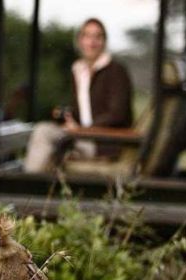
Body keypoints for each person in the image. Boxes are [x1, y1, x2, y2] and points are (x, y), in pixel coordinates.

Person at [23, 18, 133, 174]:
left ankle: (26, 184)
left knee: (43, 132)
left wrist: (82, 129)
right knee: (46, 132)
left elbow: (117, 114)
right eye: (87, 36)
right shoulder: (79, 70)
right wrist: (68, 118)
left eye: (97, 37)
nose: (92, 42)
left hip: (103, 143)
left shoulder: (116, 71)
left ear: (104, 41)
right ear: (80, 41)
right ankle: (36, 183)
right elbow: (82, 110)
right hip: (81, 136)